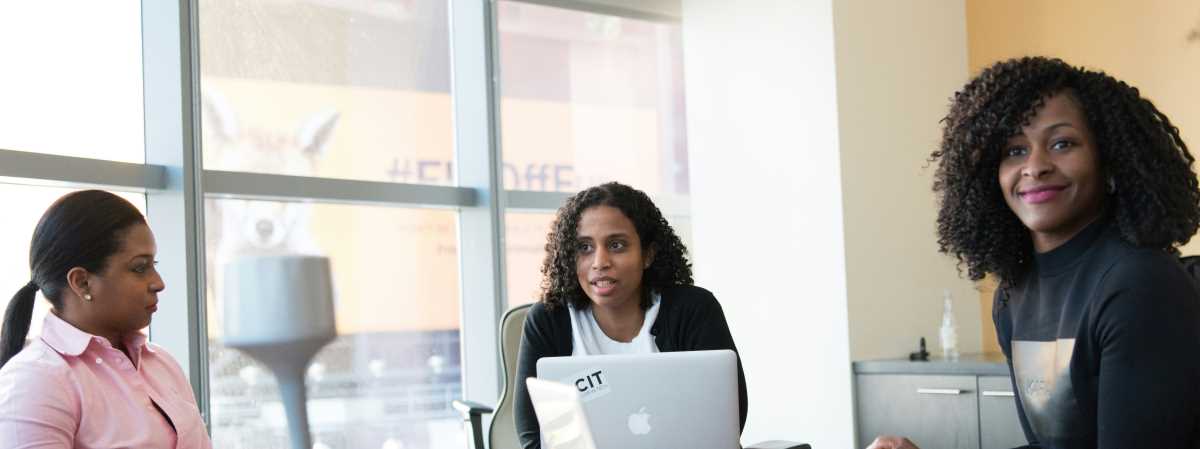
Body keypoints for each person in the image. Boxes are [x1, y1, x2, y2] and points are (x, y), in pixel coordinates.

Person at [868, 57, 1200, 449]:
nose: (1035, 166)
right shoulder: (1013, 294)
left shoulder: (1138, 284)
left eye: (1062, 144)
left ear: (1109, 163)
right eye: (1014, 150)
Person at [512, 182, 748, 449]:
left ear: (648, 254)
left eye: (616, 245)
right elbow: (533, 436)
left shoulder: (693, 309)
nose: (600, 262)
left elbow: (726, 421)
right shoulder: (548, 320)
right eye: (585, 247)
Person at [0, 190, 213, 448]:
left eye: (153, 265)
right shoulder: (35, 380)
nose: (158, 283)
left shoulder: (162, 364)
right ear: (82, 282)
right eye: (139, 268)